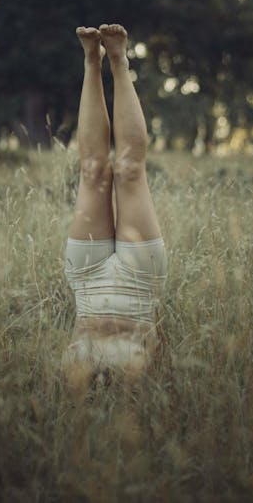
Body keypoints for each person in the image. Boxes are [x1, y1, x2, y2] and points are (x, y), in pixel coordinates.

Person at [62, 23, 168, 385]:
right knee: (129, 171)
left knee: (93, 171)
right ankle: (119, 60)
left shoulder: (70, 394)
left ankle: (93, 60)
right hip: (139, 283)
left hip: (88, 283)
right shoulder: (134, 397)